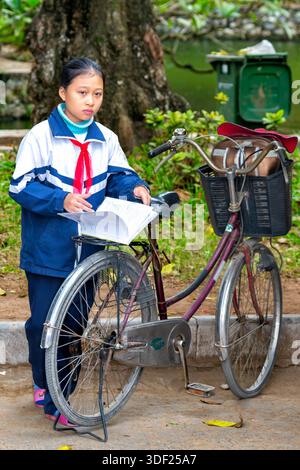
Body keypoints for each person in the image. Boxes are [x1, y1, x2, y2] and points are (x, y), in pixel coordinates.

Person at [9, 57, 151, 426]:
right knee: (43, 323)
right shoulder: (41, 136)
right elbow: (20, 186)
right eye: (82, 92)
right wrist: (61, 199)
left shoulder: (106, 139)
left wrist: (135, 187)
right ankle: (43, 382)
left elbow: (121, 176)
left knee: (73, 325)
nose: (90, 101)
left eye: (97, 94)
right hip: (48, 250)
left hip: (90, 249)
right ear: (63, 92)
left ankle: (61, 402)